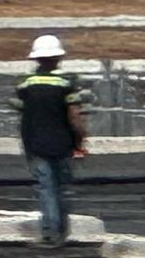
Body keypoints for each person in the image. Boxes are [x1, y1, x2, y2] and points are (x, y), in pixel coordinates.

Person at [11, 33, 89, 247]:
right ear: (58, 58)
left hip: (35, 143)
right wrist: (80, 141)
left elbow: (19, 110)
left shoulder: (25, 84)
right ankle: (61, 233)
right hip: (63, 143)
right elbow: (74, 117)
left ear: (36, 59)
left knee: (45, 189)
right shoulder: (67, 83)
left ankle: (49, 233)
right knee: (61, 188)